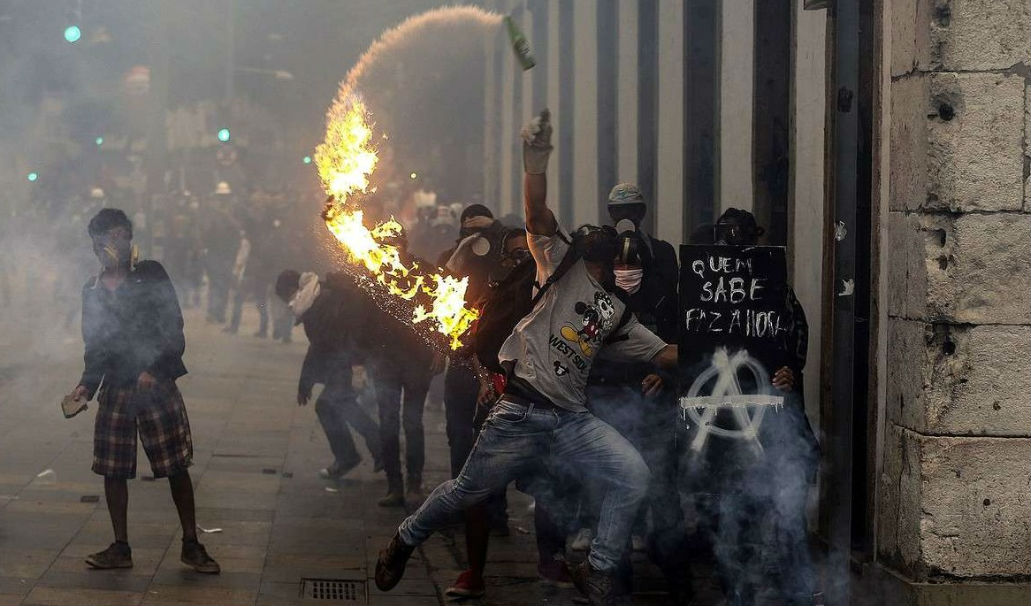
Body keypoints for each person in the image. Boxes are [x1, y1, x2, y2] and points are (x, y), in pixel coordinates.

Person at [374, 109, 679, 606]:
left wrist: (719, 341)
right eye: (614, 260)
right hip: (520, 412)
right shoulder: (559, 268)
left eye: (626, 263)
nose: (621, 269)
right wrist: (534, 161)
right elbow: (536, 213)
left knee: (634, 475)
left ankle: (598, 568)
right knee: (467, 491)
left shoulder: (618, 314)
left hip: (572, 420)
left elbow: (665, 353)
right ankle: (405, 539)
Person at [67, 208, 219, 573]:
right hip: (117, 388)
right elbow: (96, 346)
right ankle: (120, 547)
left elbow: (173, 326)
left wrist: (157, 369)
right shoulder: (92, 290)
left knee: (175, 465)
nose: (118, 244)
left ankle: (191, 543)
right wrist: (86, 385)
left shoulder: (150, 274)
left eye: (123, 236)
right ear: (96, 245)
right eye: (110, 238)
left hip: (156, 386)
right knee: (113, 469)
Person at [568, 183, 691, 602]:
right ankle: (614, 583)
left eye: (633, 210)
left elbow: (675, 325)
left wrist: (665, 375)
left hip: (651, 394)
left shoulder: (662, 256)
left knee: (663, 489)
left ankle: (679, 584)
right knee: (607, 490)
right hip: (606, 393)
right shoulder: (596, 261)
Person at [700, 207, 819, 605]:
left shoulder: (776, 289)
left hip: (775, 417)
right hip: (726, 420)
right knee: (732, 509)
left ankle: (797, 590)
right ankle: (738, 590)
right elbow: (695, 352)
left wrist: (789, 369)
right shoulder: (705, 290)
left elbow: (797, 339)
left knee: (787, 504)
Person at [274, 270, 383, 479]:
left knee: (330, 405)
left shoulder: (318, 303)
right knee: (340, 405)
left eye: (286, 297)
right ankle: (375, 449)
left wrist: (306, 382)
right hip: (347, 361)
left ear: (293, 289)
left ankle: (356, 454)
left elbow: (322, 343)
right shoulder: (315, 297)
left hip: (349, 361)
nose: (289, 304)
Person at [361, 228, 437, 508]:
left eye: (394, 244)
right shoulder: (373, 274)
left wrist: (438, 349)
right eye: (384, 245)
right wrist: (364, 359)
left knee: (413, 423)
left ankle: (414, 483)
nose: (389, 250)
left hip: (416, 359)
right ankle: (394, 485)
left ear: (404, 244)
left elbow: (439, 313)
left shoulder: (424, 271)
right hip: (385, 360)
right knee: (388, 423)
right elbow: (363, 321)